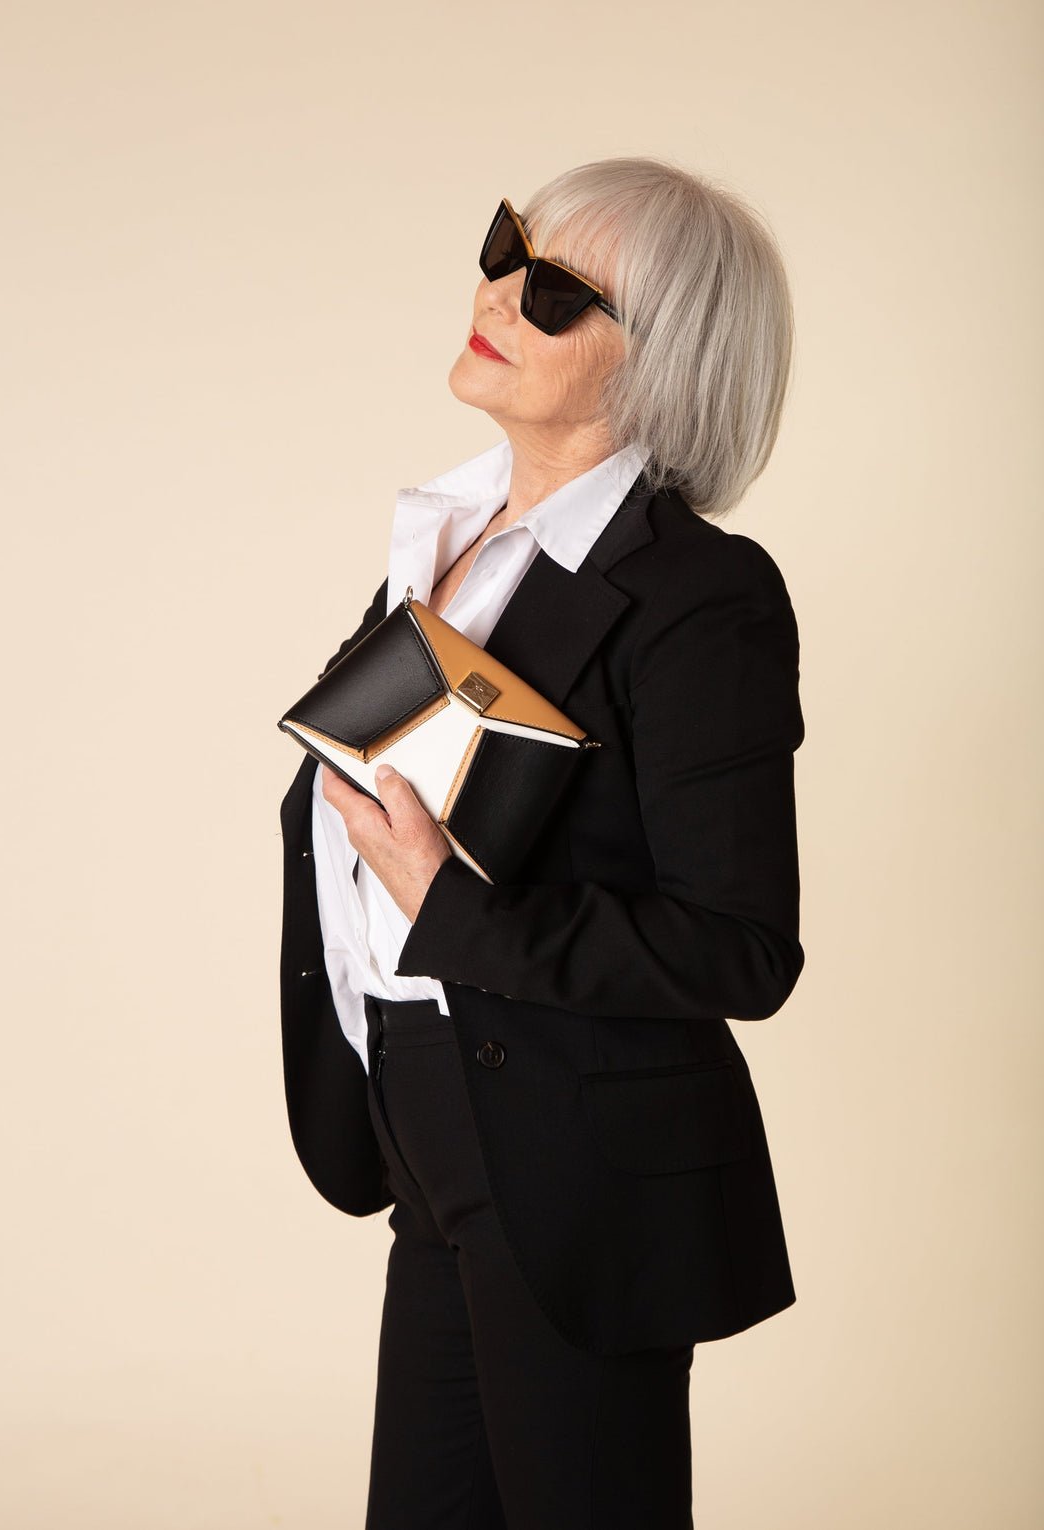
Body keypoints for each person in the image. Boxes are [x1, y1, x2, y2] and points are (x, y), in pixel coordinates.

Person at [279, 156, 804, 1529]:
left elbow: (741, 944)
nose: (502, 291)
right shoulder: (447, 543)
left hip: (579, 1172)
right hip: (427, 1136)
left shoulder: (702, 597)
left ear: (658, 366)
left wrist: (456, 909)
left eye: (558, 291)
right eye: (507, 247)